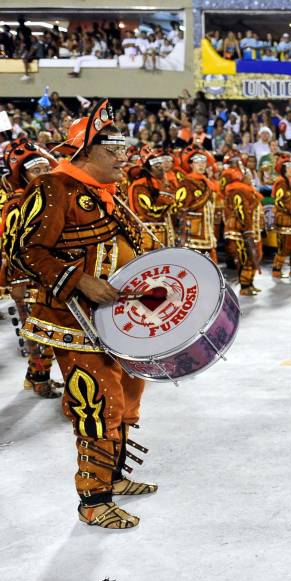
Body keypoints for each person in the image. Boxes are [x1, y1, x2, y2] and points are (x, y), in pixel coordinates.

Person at [5, 100, 158, 529]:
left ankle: (115, 476)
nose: (124, 158)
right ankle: (93, 500)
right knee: (98, 403)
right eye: (114, 150)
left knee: (128, 397)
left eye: (126, 150)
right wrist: (80, 281)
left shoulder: (106, 194)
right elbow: (23, 252)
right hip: (75, 322)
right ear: (86, 152)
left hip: (121, 322)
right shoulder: (55, 187)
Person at [0, 136, 62, 398]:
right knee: (37, 330)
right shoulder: (17, 202)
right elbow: (13, 245)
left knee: (45, 327)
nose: (43, 173)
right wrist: (20, 280)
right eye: (36, 170)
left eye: (45, 168)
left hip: (44, 274)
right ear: (22, 174)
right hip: (25, 277)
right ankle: (39, 379)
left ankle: (34, 375)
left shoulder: (45, 195)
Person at [222, 160, 262, 296]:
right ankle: (244, 287)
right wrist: (247, 231)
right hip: (241, 232)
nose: (251, 177)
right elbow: (242, 213)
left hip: (250, 231)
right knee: (244, 257)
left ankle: (250, 283)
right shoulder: (238, 191)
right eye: (248, 174)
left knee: (253, 257)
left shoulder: (249, 191)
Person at [174, 146, 219, 261]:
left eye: (203, 162)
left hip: (207, 230)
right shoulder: (186, 182)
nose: (201, 165)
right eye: (197, 162)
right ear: (191, 165)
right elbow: (180, 207)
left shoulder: (207, 183)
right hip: (193, 232)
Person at [127, 147, 176, 252]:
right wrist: (166, 198)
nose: (161, 168)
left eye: (160, 164)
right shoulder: (140, 186)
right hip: (147, 240)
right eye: (156, 166)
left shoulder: (162, 183)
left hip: (163, 238)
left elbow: (174, 209)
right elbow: (150, 213)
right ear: (148, 169)